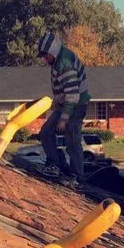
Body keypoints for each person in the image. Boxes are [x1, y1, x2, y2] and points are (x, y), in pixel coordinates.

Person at [36, 32, 91, 183]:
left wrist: (63, 119)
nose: (44, 58)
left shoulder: (64, 63)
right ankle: (56, 165)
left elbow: (73, 95)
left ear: (53, 51)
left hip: (76, 105)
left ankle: (77, 177)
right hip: (65, 104)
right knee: (46, 132)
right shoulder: (57, 61)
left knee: (72, 141)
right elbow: (62, 91)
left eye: (46, 55)